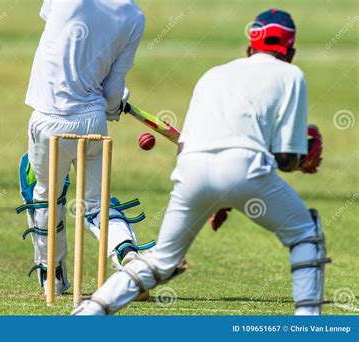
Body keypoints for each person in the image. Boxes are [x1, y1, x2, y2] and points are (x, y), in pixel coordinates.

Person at [73, 9, 329, 316]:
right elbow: (286, 160)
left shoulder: (214, 74)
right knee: (305, 233)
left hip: (190, 169)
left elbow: (186, 149)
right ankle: (308, 325)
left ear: (250, 47)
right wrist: (303, 158)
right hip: (245, 168)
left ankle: (87, 314)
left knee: (160, 260)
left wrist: (218, 197)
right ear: (291, 52)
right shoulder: (291, 75)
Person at [19, 0, 154, 295]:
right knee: (96, 206)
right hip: (93, 120)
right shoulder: (134, 15)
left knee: (42, 192)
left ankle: (52, 277)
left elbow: (57, 36)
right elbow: (111, 94)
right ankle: (127, 256)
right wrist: (115, 104)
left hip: (49, 118)